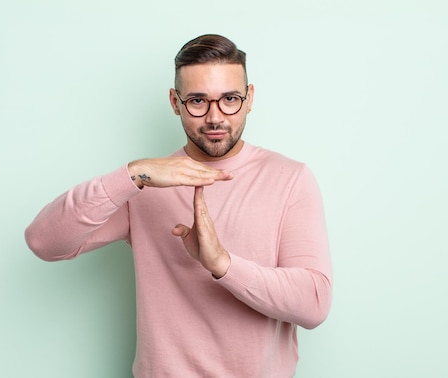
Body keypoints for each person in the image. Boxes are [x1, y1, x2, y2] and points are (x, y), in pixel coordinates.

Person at [25, 34, 333, 377]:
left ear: (250, 99)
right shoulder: (144, 186)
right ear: (175, 101)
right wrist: (132, 174)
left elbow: (314, 303)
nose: (215, 117)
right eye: (198, 101)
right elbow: (44, 242)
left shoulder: (290, 178)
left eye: (229, 99)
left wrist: (223, 264)